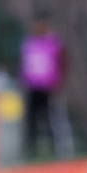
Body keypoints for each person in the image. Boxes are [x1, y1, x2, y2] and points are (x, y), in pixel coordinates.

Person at [20, 11, 73, 159]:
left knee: (53, 119)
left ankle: (58, 149)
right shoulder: (29, 42)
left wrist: (60, 81)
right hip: (32, 87)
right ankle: (30, 148)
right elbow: (24, 63)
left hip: (49, 87)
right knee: (32, 120)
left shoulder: (54, 42)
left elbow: (63, 62)